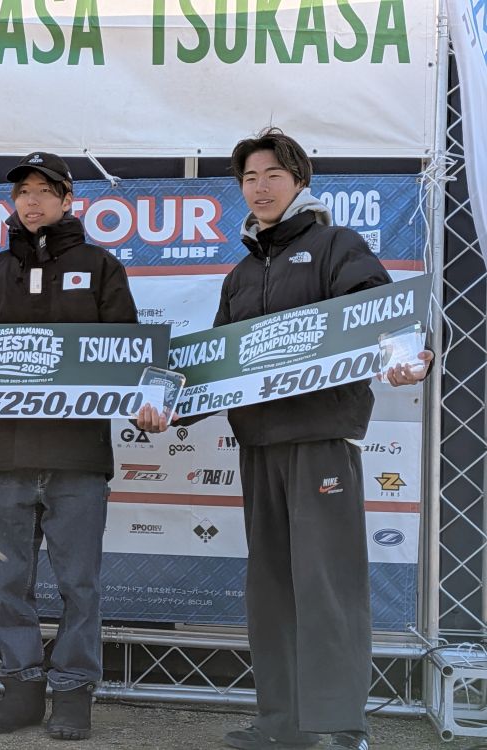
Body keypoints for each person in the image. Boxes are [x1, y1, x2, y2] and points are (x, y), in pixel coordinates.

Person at [159, 128, 431, 750]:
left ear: (299, 181)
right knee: (272, 588)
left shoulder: (337, 245)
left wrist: (404, 357)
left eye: (272, 176)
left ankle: (341, 725)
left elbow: (383, 315)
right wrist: (170, 406)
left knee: (326, 586)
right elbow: (216, 363)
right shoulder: (239, 273)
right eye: (249, 179)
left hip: (322, 439)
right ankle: (283, 724)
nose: (259, 188)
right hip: (258, 444)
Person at [0, 152, 159, 740]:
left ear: (67, 199)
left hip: (79, 459)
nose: (31, 201)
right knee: (10, 584)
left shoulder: (102, 267)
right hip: (4, 458)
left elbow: (129, 358)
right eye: (22, 192)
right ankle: (20, 690)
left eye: (43, 190)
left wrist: (147, 397)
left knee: (78, 585)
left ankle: (74, 694)